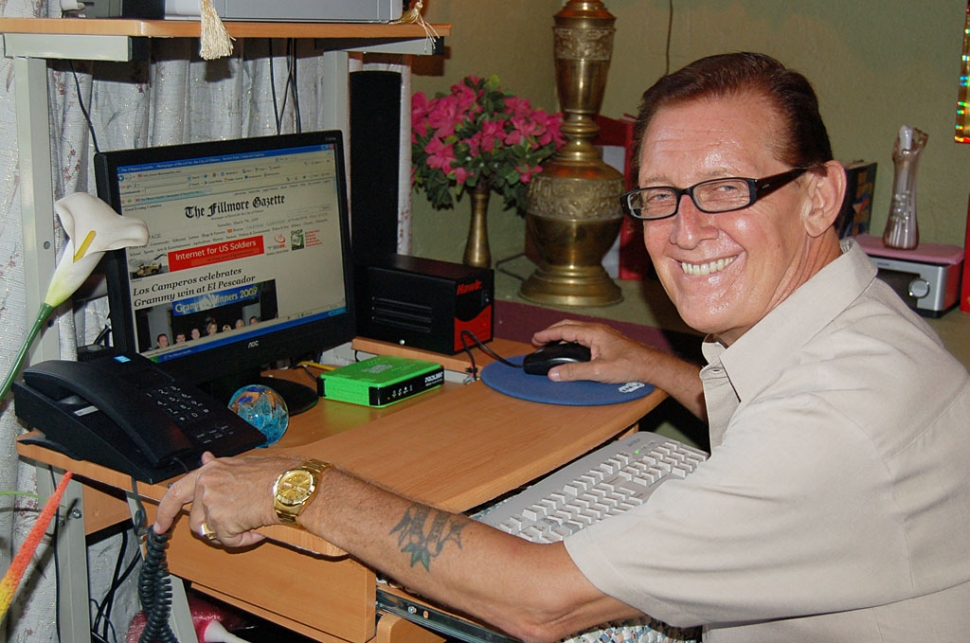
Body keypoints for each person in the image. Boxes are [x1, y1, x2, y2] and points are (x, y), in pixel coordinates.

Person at [154, 52, 970, 642]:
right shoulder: (856, 334)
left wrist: (303, 485)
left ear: (822, 194)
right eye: (658, 196)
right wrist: (653, 365)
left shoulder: (835, 422)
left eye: (728, 189)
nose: (685, 232)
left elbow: (539, 602)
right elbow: (773, 418)